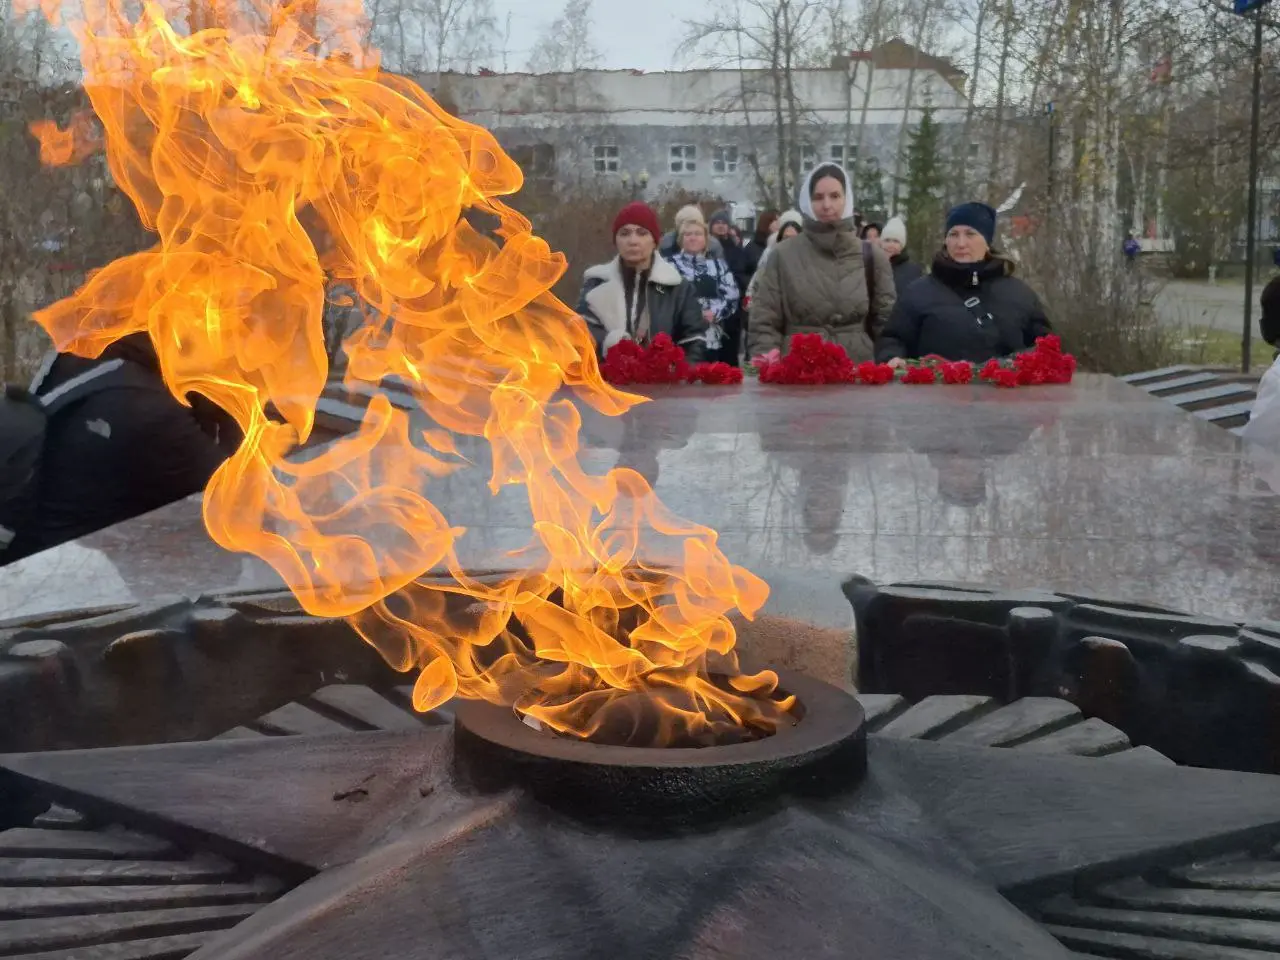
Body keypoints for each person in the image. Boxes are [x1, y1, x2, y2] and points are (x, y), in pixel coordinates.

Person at [3, 332, 240, 563]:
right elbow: (244, 497)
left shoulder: (85, 353)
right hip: (74, 587)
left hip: (61, 559)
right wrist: (234, 406)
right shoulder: (146, 415)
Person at [747, 163, 895, 362]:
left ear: (846, 199)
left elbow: (887, 323)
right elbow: (764, 320)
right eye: (818, 197)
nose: (826, 205)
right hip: (798, 372)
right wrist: (766, 361)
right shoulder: (783, 255)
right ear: (808, 202)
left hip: (857, 373)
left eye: (835, 196)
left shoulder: (872, 256)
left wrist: (889, 359)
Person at [876, 201, 1051, 366]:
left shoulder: (1020, 294)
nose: (961, 243)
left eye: (970, 234)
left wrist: (1017, 365)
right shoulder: (918, 292)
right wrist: (892, 358)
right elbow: (893, 338)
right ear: (945, 241)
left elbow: (1045, 346)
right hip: (935, 394)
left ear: (987, 241)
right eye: (953, 234)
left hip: (1003, 395)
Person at [577, 201, 708, 362]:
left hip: (664, 384)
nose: (633, 241)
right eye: (624, 233)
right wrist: (613, 345)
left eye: (642, 233)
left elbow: (694, 342)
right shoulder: (596, 283)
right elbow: (582, 333)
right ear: (616, 240)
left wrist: (676, 373)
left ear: (654, 240)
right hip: (606, 382)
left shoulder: (678, 288)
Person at [667, 215, 740, 365]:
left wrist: (715, 312)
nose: (693, 238)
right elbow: (663, 297)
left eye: (698, 234)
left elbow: (732, 295)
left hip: (712, 336)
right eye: (688, 234)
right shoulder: (669, 265)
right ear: (681, 239)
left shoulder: (718, 265)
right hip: (680, 336)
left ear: (706, 239)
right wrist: (694, 314)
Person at [707, 209, 748, 365]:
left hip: (732, 306)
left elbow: (742, 272)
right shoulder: (707, 248)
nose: (720, 226)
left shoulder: (736, 248)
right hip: (711, 304)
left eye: (724, 222)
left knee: (730, 346)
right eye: (717, 223)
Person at [745, 209, 803, 302]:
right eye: (786, 238)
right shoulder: (770, 256)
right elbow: (755, 286)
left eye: (794, 238)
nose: (790, 242)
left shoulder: (807, 259)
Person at [879, 216, 924, 292]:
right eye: (887, 240)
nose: (890, 245)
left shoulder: (913, 271)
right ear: (881, 243)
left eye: (895, 241)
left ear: (902, 245)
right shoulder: (872, 267)